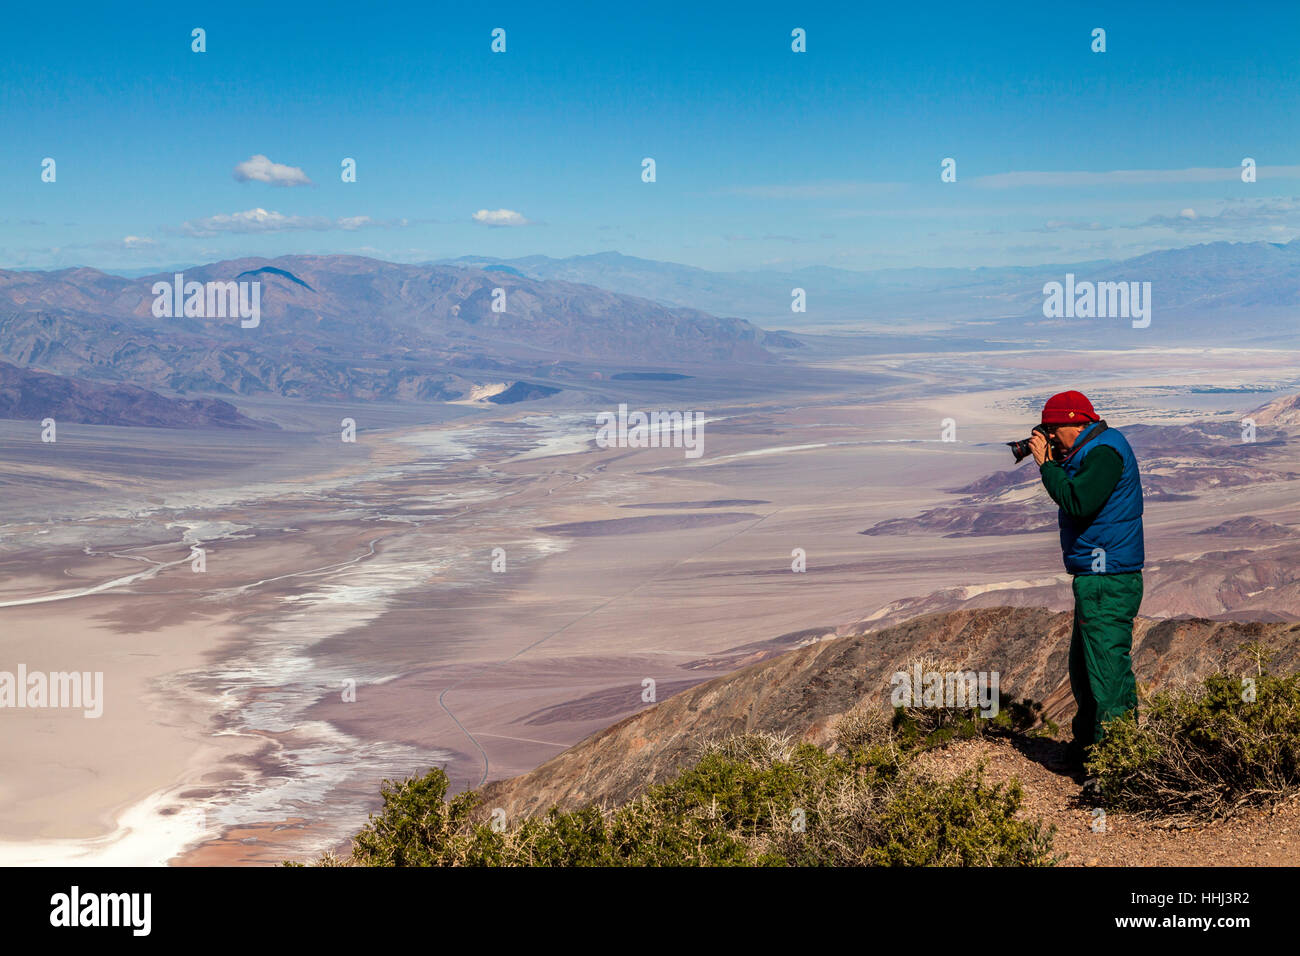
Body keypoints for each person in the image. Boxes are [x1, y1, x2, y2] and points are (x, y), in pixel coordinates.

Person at [1028, 390, 1143, 781]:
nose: (1050, 437)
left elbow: (1078, 501)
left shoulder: (1105, 452)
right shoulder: (1093, 449)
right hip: (1097, 577)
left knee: (1107, 673)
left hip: (1109, 579)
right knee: (1084, 668)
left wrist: (1047, 466)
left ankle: (1116, 768)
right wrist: (1058, 459)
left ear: (1073, 423)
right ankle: (1090, 749)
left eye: (1052, 430)